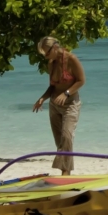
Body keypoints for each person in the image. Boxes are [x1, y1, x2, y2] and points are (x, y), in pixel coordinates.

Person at [31, 35, 85, 174]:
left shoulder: (71, 59)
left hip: (71, 104)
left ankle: (65, 173)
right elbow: (52, 86)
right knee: (60, 141)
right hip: (54, 105)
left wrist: (66, 93)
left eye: (47, 53)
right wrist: (42, 98)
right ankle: (65, 172)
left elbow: (81, 81)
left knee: (67, 137)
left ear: (55, 47)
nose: (45, 56)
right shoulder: (51, 63)